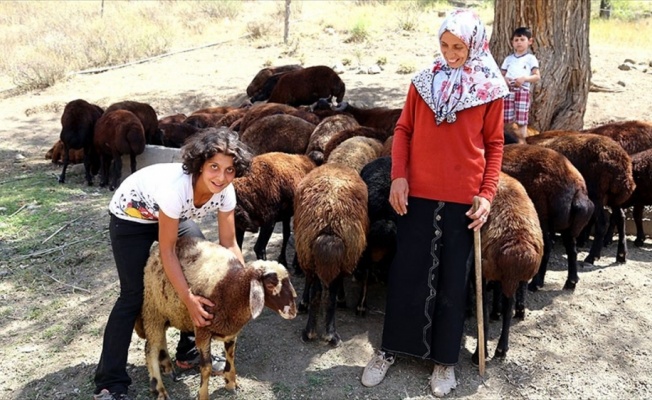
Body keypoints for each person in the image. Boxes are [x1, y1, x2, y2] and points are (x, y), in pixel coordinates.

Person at [360, 9, 508, 398]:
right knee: (406, 270)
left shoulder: (490, 88)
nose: (450, 53)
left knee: (452, 279)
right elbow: (404, 129)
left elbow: (494, 145)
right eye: (444, 45)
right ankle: (391, 348)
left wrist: (488, 194)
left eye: (458, 46)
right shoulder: (424, 81)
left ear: (474, 44)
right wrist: (398, 176)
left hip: (465, 198)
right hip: (418, 192)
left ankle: (444, 361)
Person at [93, 127, 253, 400]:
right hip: (132, 215)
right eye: (214, 167)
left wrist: (244, 283)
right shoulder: (177, 189)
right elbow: (166, 251)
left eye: (229, 170)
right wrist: (188, 298)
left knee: (199, 268)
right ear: (200, 165)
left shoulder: (226, 191)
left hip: (173, 216)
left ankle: (189, 353)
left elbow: (229, 245)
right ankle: (110, 381)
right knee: (132, 295)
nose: (221, 176)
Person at [501, 26, 541, 143]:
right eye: (516, 40)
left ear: (530, 41)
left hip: (522, 91)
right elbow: (501, 74)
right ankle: (506, 141)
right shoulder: (508, 59)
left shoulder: (530, 58)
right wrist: (505, 79)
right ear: (512, 42)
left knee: (521, 119)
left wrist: (524, 79)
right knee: (506, 118)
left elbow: (536, 76)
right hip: (508, 91)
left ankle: (522, 142)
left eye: (522, 40)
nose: (519, 43)